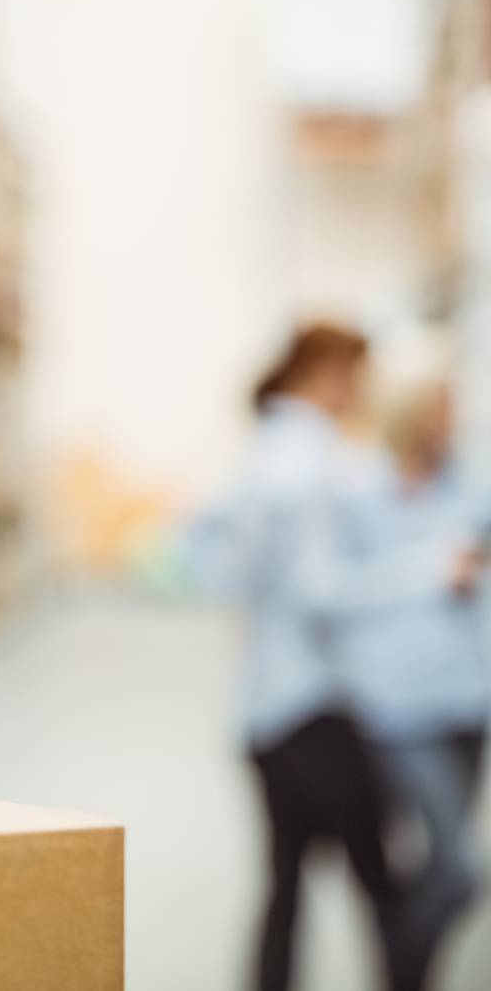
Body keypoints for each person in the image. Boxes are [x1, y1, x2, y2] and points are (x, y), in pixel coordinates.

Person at [185, 324, 413, 991]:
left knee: (286, 889)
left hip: (265, 705)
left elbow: (212, 554)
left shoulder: (263, 453)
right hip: (315, 706)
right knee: (381, 883)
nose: (363, 393)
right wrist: (427, 572)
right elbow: (322, 590)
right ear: (326, 371)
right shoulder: (309, 463)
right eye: (358, 375)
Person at [338, 348, 489, 986]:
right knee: (457, 872)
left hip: (468, 701)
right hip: (401, 706)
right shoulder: (360, 493)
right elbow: (337, 591)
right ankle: (401, 975)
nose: (450, 417)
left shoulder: (470, 484)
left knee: (437, 866)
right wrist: (429, 570)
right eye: (440, 404)